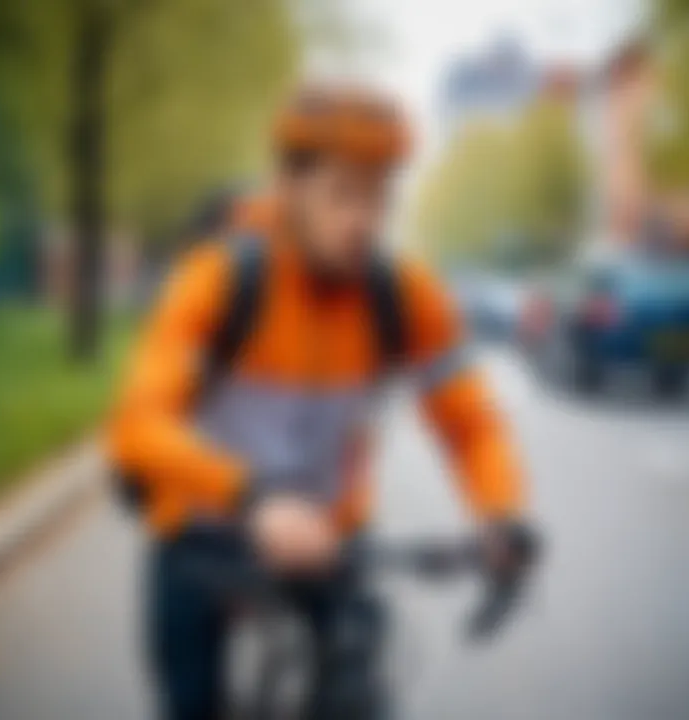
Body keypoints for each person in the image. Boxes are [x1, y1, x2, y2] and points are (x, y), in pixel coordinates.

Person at [108, 84, 533, 720]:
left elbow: (471, 424)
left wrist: (500, 515)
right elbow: (138, 425)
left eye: (379, 197)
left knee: (357, 695)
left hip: (330, 538)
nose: (365, 220)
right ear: (287, 186)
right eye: (343, 195)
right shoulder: (219, 279)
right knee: (191, 702)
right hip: (201, 534)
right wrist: (252, 500)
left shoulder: (402, 294)